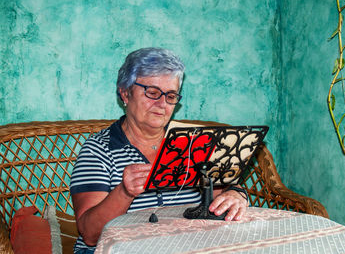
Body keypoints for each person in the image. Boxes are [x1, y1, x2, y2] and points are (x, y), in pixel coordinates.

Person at [69, 47, 249, 253]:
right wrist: (124, 192)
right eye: (152, 93)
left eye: (171, 96)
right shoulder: (99, 150)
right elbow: (90, 235)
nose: (162, 104)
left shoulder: (194, 143)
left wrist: (236, 195)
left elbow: (223, 190)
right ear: (125, 93)